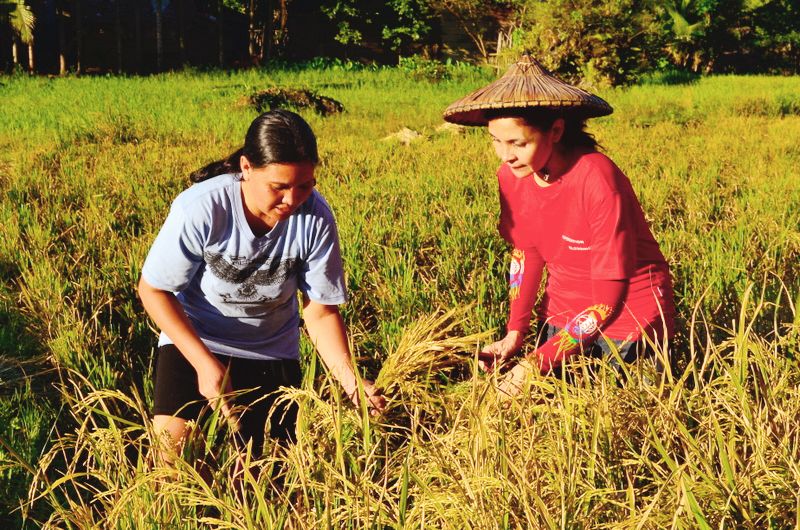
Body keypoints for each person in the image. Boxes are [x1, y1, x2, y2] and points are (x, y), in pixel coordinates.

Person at [138, 109, 385, 460]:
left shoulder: (315, 218)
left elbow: (319, 313)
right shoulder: (202, 208)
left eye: (305, 185)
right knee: (172, 461)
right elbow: (153, 290)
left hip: (270, 350)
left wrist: (350, 381)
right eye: (279, 187)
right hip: (196, 340)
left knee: (265, 475)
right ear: (246, 168)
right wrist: (204, 364)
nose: (292, 200)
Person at [443, 56, 676, 397]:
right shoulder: (511, 176)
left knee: (620, 422)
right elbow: (526, 252)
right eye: (495, 141)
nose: (504, 155)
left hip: (628, 320)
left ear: (555, 131)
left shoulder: (596, 178)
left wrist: (535, 363)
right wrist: (515, 332)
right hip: (563, 314)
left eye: (518, 143)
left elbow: (609, 298)